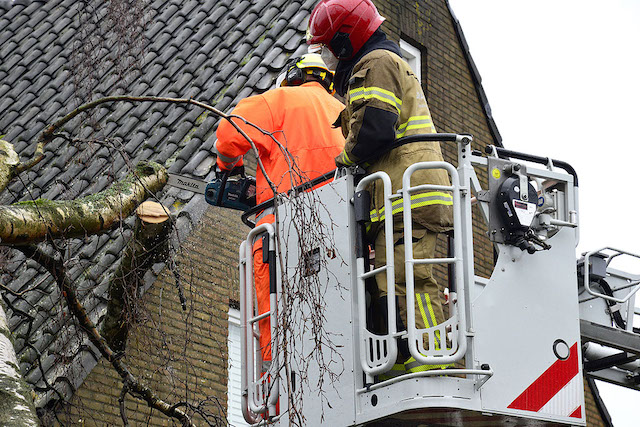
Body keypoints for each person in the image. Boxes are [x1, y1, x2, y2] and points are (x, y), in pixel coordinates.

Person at [307, 0, 454, 377]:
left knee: (411, 280)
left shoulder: (377, 64)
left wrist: (343, 160)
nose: (324, 56)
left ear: (344, 40)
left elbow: (374, 128)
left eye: (325, 47)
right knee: (390, 283)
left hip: (411, 196)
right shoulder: (372, 66)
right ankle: (403, 365)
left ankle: (432, 363)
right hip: (396, 198)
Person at [215, 53, 345, 366]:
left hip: (282, 235)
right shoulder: (345, 112)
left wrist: (227, 167)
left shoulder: (282, 100)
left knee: (278, 322)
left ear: (293, 76)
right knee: (335, 320)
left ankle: (279, 399)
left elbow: (230, 134)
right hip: (340, 234)